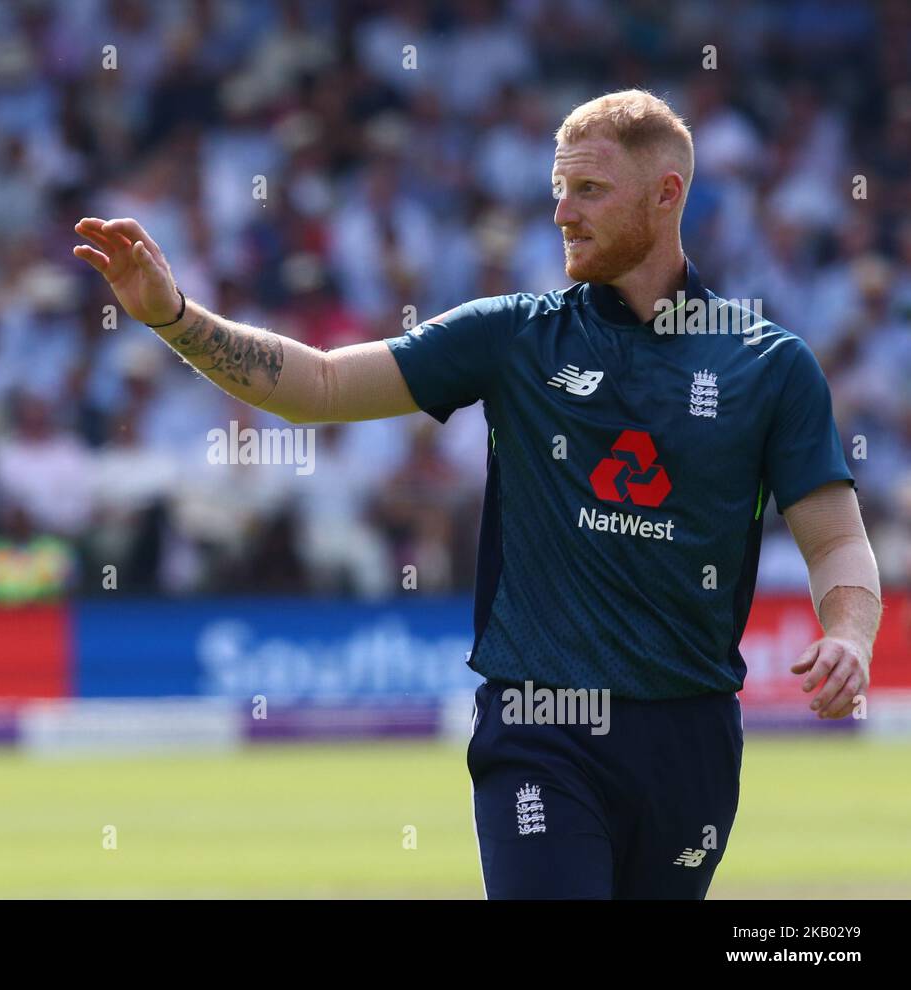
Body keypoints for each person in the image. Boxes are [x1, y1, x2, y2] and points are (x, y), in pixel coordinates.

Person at [72, 89, 882, 900]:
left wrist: (848, 635)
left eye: (590, 190)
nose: (563, 212)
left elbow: (838, 540)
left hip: (692, 737)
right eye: (557, 189)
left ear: (667, 195)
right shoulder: (514, 335)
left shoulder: (768, 367)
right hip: (540, 729)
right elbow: (317, 385)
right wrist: (174, 318)